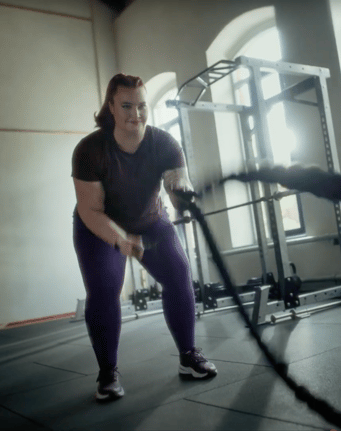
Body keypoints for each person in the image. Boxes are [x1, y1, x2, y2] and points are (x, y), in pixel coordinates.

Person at [71, 73, 217, 402]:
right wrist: (122, 240)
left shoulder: (164, 143)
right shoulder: (90, 150)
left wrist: (182, 193)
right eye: (126, 106)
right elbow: (90, 210)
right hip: (99, 226)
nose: (135, 114)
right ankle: (108, 372)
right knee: (105, 290)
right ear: (110, 107)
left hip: (150, 220)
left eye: (141, 106)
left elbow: (177, 189)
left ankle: (188, 356)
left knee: (179, 274)